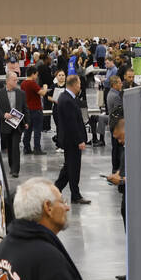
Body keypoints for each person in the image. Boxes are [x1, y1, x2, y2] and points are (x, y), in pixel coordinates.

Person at [53, 75, 89, 204]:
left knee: (69, 167)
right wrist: (79, 140)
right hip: (71, 141)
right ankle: (75, 195)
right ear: (74, 85)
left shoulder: (67, 98)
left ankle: (56, 189)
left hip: (69, 140)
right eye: (79, 84)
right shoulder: (67, 100)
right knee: (73, 168)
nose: (80, 86)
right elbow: (71, 123)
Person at [0, 71, 28, 178]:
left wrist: (27, 122)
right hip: (5, 125)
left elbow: (25, 108)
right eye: (14, 80)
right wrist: (3, 115)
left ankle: (15, 170)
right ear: (8, 81)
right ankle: (11, 166)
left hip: (17, 124)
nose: (16, 81)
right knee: (9, 147)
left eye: (16, 79)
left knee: (15, 146)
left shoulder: (21, 93)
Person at [21, 65, 47, 155]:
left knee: (28, 130)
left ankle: (26, 147)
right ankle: (37, 148)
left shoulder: (23, 83)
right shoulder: (32, 83)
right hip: (36, 109)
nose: (37, 77)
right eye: (36, 75)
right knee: (37, 130)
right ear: (33, 74)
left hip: (27, 109)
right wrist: (45, 87)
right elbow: (42, 93)